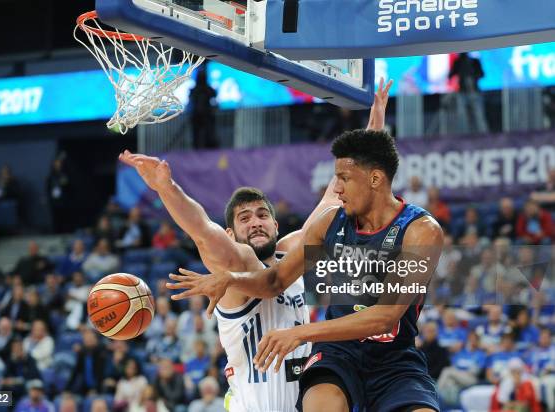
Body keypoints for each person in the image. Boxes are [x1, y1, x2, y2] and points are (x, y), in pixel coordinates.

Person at [122, 79, 393, 412]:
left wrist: (375, 122)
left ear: (276, 225)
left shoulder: (294, 250)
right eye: (244, 218)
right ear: (232, 233)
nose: (255, 221)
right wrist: (168, 188)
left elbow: (336, 195)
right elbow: (203, 231)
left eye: (262, 214)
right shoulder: (238, 263)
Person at [169, 127, 443, 411]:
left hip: (394, 361)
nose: (337, 188)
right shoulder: (329, 223)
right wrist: (230, 279)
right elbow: (275, 280)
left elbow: (384, 317)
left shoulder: (421, 232)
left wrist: (301, 333)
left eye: (344, 179)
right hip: (339, 356)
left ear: (374, 179)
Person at [448, 52, 489, 134]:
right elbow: (450, 75)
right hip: (463, 93)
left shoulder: (475, 61)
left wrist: (472, 75)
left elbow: (482, 74)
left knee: (479, 116)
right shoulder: (458, 61)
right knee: (464, 117)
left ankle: (484, 136)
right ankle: (467, 137)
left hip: (474, 92)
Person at [189, 66, 218, 149]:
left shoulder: (207, 89)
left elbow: (214, 98)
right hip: (197, 115)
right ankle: (198, 148)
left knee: (208, 133)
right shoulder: (195, 89)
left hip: (206, 114)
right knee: (197, 135)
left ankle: (209, 146)